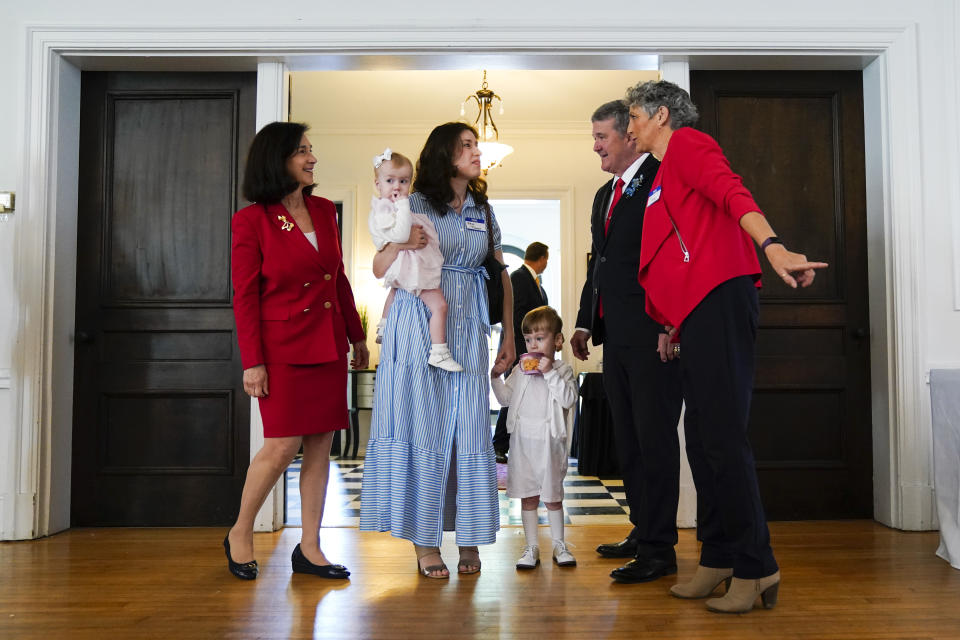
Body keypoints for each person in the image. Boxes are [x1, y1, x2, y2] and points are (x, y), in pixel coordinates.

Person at [624, 79, 828, 613]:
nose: (629, 126)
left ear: (662, 115)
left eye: (634, 116)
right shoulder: (662, 173)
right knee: (702, 439)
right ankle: (716, 558)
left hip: (721, 297)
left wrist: (773, 245)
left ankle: (756, 565)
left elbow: (733, 193)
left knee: (721, 436)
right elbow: (676, 248)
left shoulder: (690, 145)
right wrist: (670, 323)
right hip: (695, 313)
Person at [359, 122, 516, 579]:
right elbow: (379, 265)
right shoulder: (414, 203)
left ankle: (469, 536)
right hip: (417, 324)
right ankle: (425, 541)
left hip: (468, 328)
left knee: (470, 428)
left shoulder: (483, 210)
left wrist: (508, 335)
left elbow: (500, 275)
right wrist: (403, 242)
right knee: (423, 426)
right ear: (444, 154)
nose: (476, 152)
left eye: (476, 145)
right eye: (466, 145)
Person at [227, 121, 369, 581]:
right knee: (282, 444)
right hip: (282, 349)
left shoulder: (325, 210)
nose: (312, 158)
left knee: (319, 446)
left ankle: (309, 547)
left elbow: (337, 278)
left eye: (311, 149)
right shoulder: (251, 220)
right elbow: (245, 296)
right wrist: (253, 360)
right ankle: (240, 532)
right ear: (277, 159)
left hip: (327, 343)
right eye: (302, 151)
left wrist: (357, 334)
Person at [570, 100, 684, 584]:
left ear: (629, 137)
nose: (595, 146)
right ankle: (643, 529)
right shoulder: (604, 194)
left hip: (653, 333)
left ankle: (660, 550)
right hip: (614, 336)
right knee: (629, 441)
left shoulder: (663, 179)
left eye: (602, 137)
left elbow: (679, 253)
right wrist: (582, 322)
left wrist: (671, 322)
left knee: (654, 440)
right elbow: (600, 263)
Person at [491, 306, 578, 570]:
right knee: (528, 497)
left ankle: (559, 544)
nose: (533, 345)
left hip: (550, 444)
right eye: (529, 340)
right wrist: (495, 377)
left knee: (552, 496)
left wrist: (549, 371)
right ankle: (531, 547)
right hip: (522, 443)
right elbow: (505, 398)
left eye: (540, 339)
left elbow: (568, 399)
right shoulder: (520, 370)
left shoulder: (563, 371)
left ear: (558, 341)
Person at [368, 147, 463, 372]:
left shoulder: (392, 208)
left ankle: (383, 324)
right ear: (377, 184)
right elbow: (400, 236)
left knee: (394, 290)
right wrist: (403, 206)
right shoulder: (387, 209)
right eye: (390, 180)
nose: (397, 187)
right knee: (439, 305)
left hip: (405, 267)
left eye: (403, 181)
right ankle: (439, 350)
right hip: (409, 269)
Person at [493, 241, 550, 462]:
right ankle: (499, 444)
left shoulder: (536, 283)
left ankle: (518, 443)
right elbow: (516, 316)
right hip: (518, 347)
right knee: (513, 396)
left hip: (530, 349)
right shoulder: (519, 277)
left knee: (524, 397)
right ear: (542, 258)